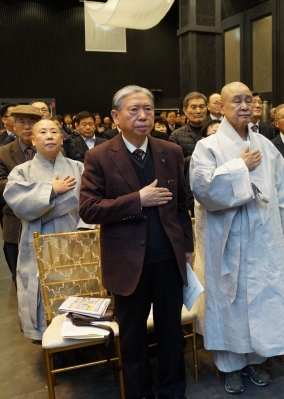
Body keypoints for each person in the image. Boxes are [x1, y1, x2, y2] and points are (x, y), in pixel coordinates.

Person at [79, 85, 193, 399]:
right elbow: (88, 209)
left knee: (172, 333)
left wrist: (187, 247)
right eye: (134, 110)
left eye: (148, 109)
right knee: (132, 337)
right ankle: (139, 393)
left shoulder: (170, 151)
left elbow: (181, 205)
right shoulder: (99, 156)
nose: (143, 116)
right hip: (127, 265)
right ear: (116, 116)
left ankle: (173, 390)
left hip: (168, 259)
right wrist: (137, 200)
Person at [190, 82, 284, 394]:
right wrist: (240, 166)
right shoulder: (208, 147)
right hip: (224, 240)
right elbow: (205, 190)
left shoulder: (265, 146)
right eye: (236, 101)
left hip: (262, 239)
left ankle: (254, 359)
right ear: (222, 107)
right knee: (229, 302)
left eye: (248, 100)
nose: (244, 106)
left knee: (261, 299)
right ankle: (230, 366)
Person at [5, 119, 83, 341]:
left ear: (62, 138)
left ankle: (82, 332)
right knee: (43, 290)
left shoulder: (79, 168)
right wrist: (51, 190)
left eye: (54, 131)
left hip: (75, 241)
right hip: (39, 241)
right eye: (43, 132)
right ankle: (47, 335)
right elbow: (19, 204)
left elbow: (90, 206)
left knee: (76, 285)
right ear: (33, 139)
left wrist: (85, 231)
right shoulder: (21, 172)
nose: (49, 136)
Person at [0, 105, 43, 286]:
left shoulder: (53, 150)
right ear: (13, 125)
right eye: (22, 122)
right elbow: (3, 187)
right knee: (22, 282)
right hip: (15, 224)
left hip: (49, 225)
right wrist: (43, 191)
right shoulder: (3, 153)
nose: (27, 126)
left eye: (32, 122)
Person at [169, 92, 208, 172]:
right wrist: (198, 156)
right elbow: (173, 165)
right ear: (185, 110)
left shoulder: (216, 132)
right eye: (193, 107)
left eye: (202, 107)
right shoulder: (176, 136)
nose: (198, 111)